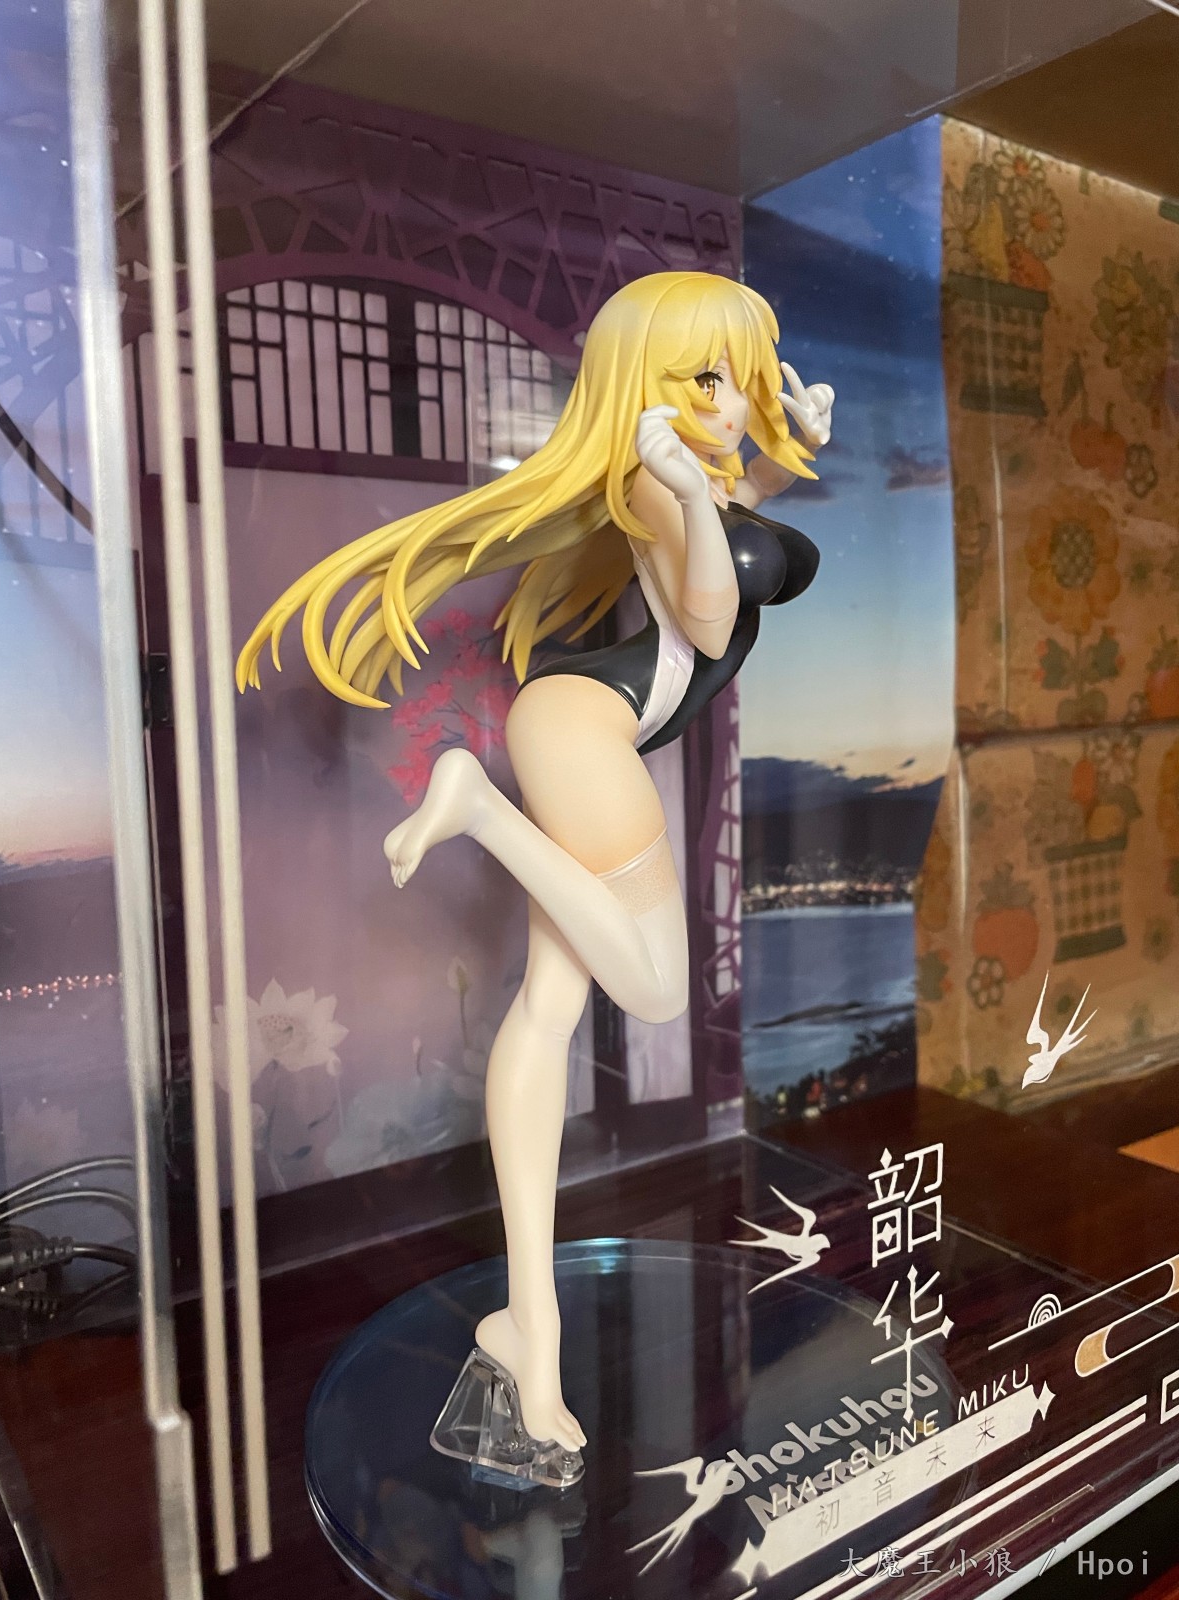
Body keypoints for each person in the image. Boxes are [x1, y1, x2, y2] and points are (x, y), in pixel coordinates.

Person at [237, 270, 833, 1468]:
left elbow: (736, 537)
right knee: (653, 990)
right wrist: (696, 489)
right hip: (577, 734)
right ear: (646, 385)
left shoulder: (692, 477)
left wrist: (776, 455)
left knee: (545, 1013)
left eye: (740, 375)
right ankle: (479, 808)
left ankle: (529, 1329)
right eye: (706, 377)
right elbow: (710, 621)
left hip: (580, 723)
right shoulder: (657, 482)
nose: (730, 401)